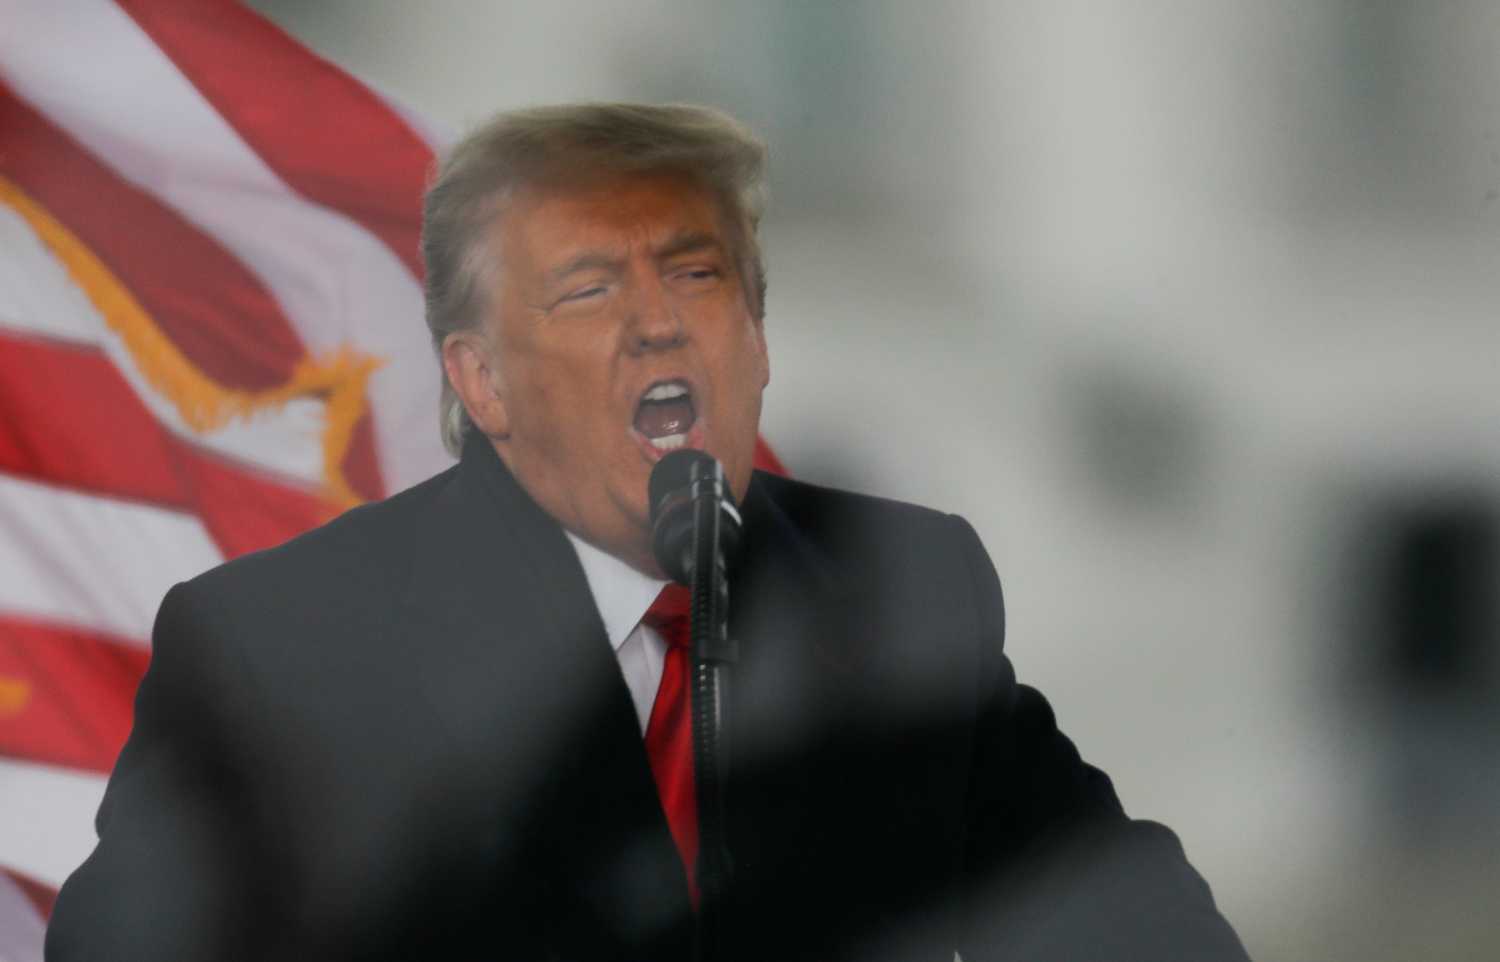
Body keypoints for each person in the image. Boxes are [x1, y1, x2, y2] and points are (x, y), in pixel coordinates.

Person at [46, 103, 1249, 961]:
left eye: (698, 275)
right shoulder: (288, 640)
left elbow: (1141, 923)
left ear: (760, 343)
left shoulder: (903, 590)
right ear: (482, 383)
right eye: (588, 289)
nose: (658, 325)